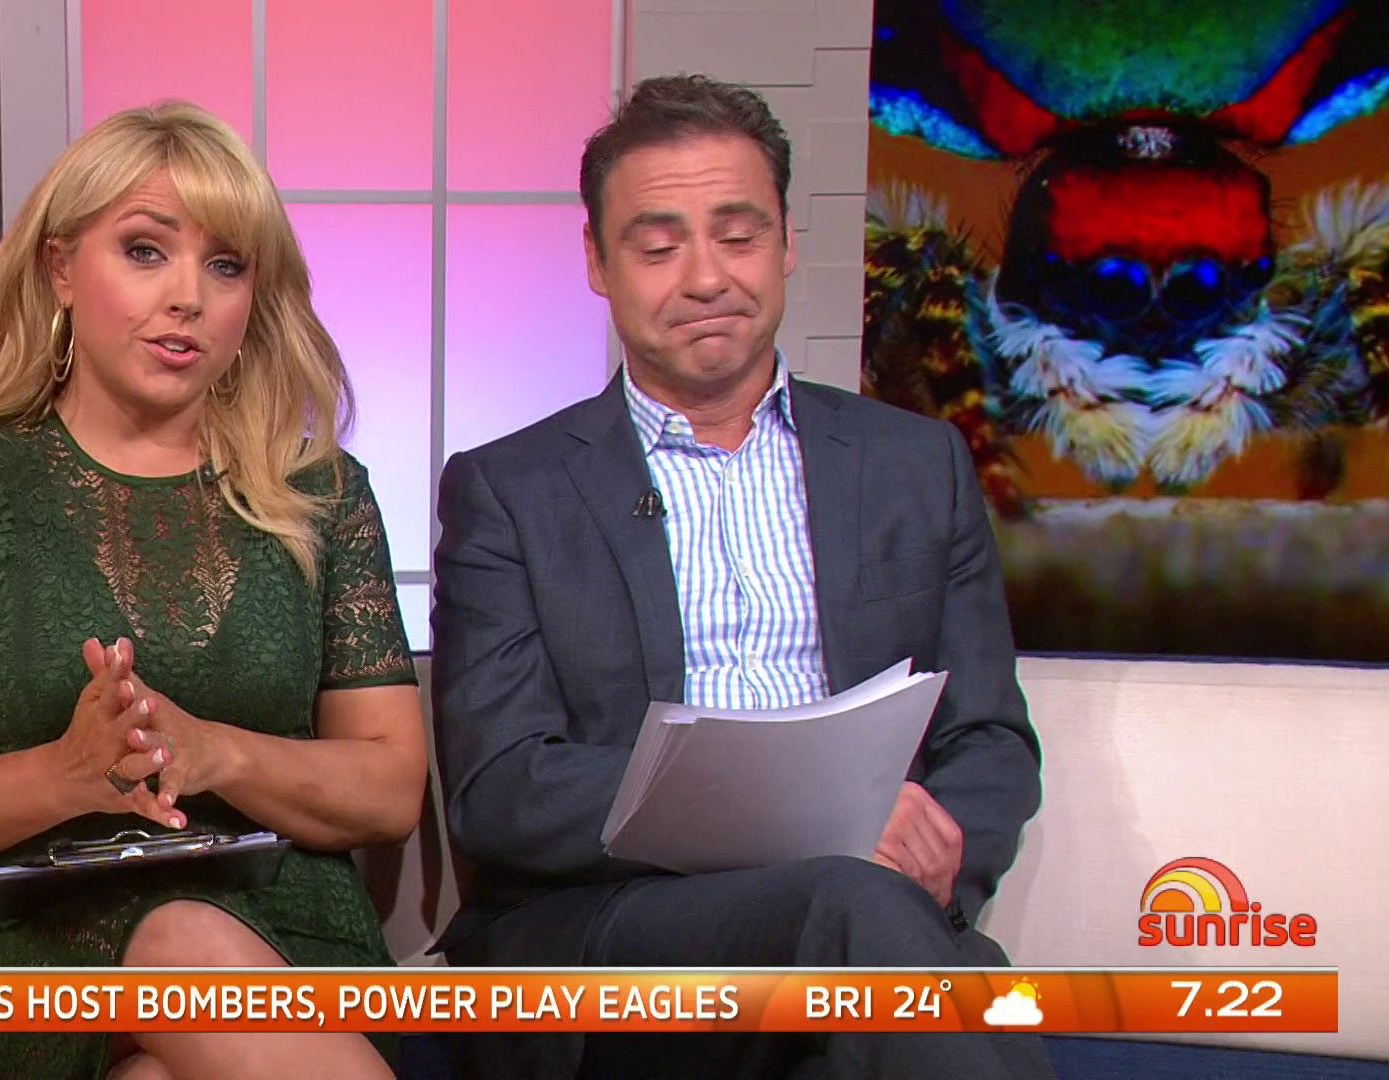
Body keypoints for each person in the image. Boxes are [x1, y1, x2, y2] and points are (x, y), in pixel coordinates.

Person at [430, 75, 1052, 1079]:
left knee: (873, 956)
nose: (707, 277)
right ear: (597, 262)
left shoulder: (914, 465)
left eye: (738, 234)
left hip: (868, 924)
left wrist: (937, 863)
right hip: (618, 933)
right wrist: (814, 822)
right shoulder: (511, 490)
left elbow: (988, 738)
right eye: (658, 246)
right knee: (863, 924)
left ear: (788, 241)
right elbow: (503, 787)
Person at [0, 103, 425, 1080]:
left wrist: (216, 751)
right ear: (61, 268)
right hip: (17, 937)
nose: (187, 297)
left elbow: (389, 789)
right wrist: (64, 775)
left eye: (226, 266)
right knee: (179, 945)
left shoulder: (324, 496)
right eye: (145, 252)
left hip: (286, 933)